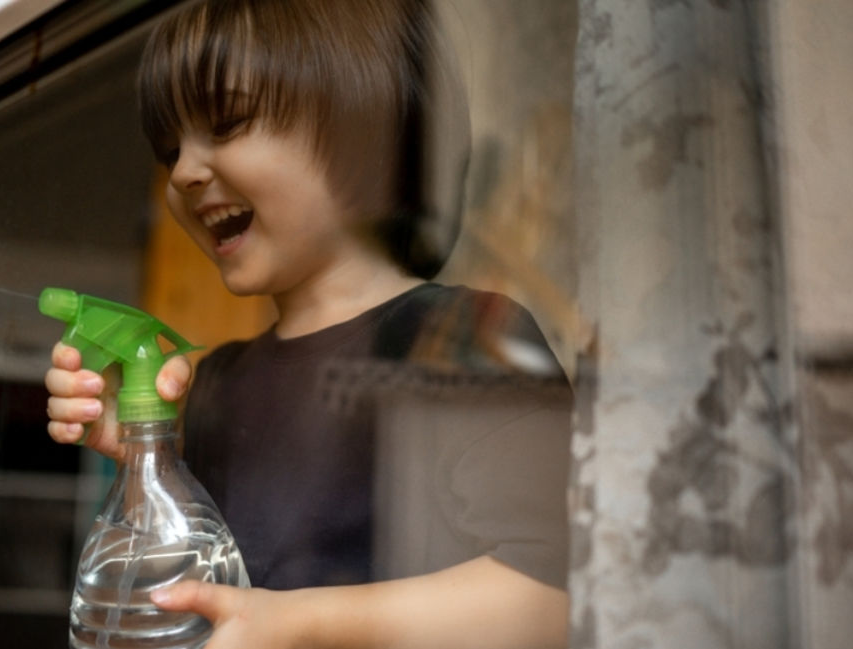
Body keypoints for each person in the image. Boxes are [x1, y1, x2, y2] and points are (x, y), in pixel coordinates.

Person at [46, 1, 572, 647]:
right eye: (170, 148)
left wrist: (293, 623)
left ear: (368, 128)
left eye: (229, 122)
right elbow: (200, 597)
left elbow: (555, 597)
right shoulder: (217, 384)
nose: (183, 171)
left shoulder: (469, 336)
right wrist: (148, 464)